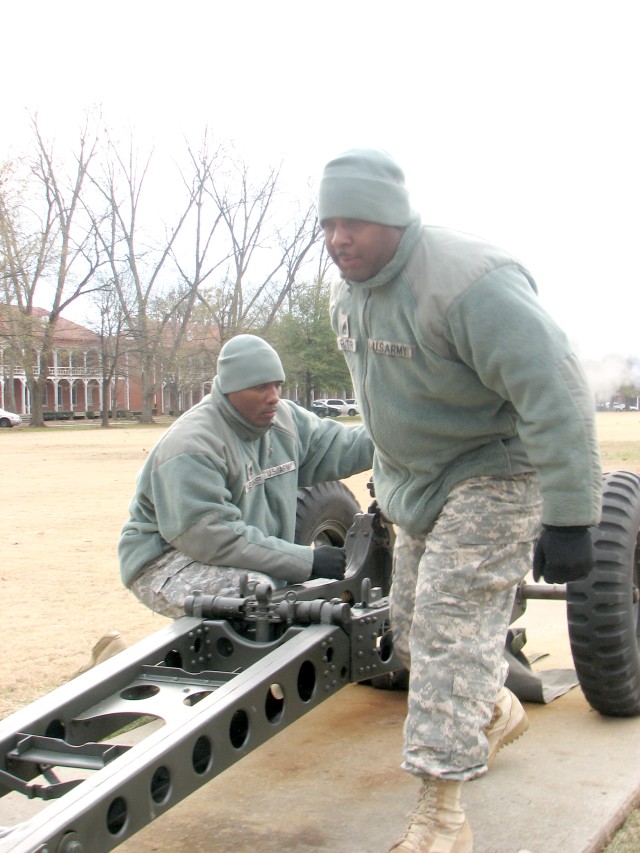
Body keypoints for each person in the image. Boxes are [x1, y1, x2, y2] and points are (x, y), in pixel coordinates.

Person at [318, 148, 602, 852]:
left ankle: (441, 815)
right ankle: (495, 706)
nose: (337, 238)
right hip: (418, 484)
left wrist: (570, 514)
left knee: (448, 635)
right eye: (327, 223)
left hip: (494, 473)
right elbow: (387, 400)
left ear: (391, 218)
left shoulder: (470, 282)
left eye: (352, 222)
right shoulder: (347, 294)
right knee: (412, 637)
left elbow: (557, 393)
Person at [118, 334, 373, 618]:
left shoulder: (284, 421)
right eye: (260, 387)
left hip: (232, 551)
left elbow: (342, 447)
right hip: (167, 559)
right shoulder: (192, 447)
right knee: (255, 597)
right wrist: (307, 561)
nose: (274, 397)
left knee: (276, 595)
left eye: (277, 385)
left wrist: (401, 435)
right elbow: (214, 537)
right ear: (231, 388)